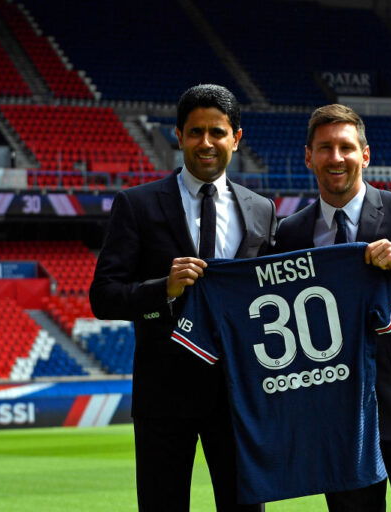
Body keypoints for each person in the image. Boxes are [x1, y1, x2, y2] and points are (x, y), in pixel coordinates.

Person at [90, 84, 275, 512]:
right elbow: (103, 297)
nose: (205, 143)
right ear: (178, 135)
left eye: (217, 132)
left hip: (238, 396)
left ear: (236, 137)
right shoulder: (136, 205)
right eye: (195, 132)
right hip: (164, 397)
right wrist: (164, 289)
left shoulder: (262, 209)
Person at [274, 104, 391, 512]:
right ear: (308, 157)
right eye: (325, 148)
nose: (336, 158)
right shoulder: (290, 234)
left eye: (346, 147)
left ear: (365, 153)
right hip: (338, 423)